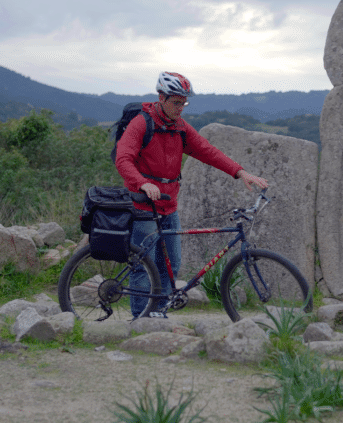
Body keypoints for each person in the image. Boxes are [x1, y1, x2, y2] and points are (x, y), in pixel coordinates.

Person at [114, 71, 269, 317]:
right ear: (161, 97)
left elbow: (208, 152)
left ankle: (159, 313)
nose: (181, 108)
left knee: (171, 264)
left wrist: (240, 172)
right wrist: (142, 183)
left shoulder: (179, 128)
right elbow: (123, 160)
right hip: (143, 205)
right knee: (145, 267)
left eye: (184, 102)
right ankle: (140, 320)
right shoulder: (142, 123)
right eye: (176, 102)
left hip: (169, 204)